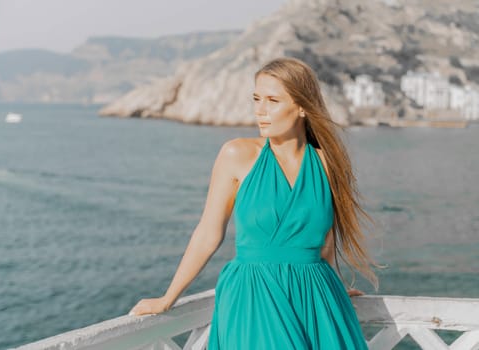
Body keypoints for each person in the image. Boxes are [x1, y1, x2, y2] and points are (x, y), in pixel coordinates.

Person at [128, 57, 379, 349]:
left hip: (318, 296)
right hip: (254, 294)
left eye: (272, 100)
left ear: (301, 107)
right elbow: (209, 233)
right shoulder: (237, 154)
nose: (260, 110)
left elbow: (325, 243)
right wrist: (168, 297)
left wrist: (334, 283)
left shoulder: (327, 164)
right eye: (257, 99)